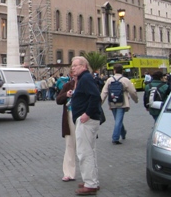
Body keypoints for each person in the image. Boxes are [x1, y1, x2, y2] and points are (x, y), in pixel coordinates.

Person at [70, 56, 101, 195]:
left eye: (75, 65)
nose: (72, 68)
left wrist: (87, 113)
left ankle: (90, 184)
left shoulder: (86, 78)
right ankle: (92, 180)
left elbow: (95, 96)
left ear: (83, 66)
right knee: (90, 151)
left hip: (86, 121)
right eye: (72, 65)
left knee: (84, 152)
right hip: (87, 120)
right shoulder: (84, 79)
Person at [100, 63, 138, 144]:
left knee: (117, 119)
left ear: (114, 71)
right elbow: (133, 92)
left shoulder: (109, 80)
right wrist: (136, 100)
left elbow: (104, 92)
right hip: (122, 102)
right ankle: (115, 138)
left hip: (112, 102)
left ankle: (122, 133)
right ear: (122, 71)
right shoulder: (125, 80)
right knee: (119, 120)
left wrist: (99, 103)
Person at [56, 70, 77, 182]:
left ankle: (88, 174)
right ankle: (69, 173)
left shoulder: (86, 84)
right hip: (69, 116)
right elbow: (58, 100)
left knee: (85, 148)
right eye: (73, 74)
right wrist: (66, 95)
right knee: (69, 145)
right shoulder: (67, 85)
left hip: (83, 117)